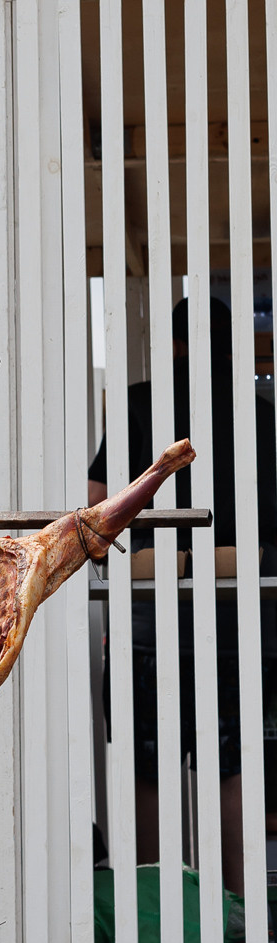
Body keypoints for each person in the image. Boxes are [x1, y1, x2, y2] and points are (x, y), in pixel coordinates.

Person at [89, 295, 277, 898]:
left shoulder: (139, 405)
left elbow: (96, 505)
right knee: (233, 769)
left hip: (151, 617)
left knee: (150, 772)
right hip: (240, 620)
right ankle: (244, 916)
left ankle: (159, 912)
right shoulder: (259, 413)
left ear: (171, 345)